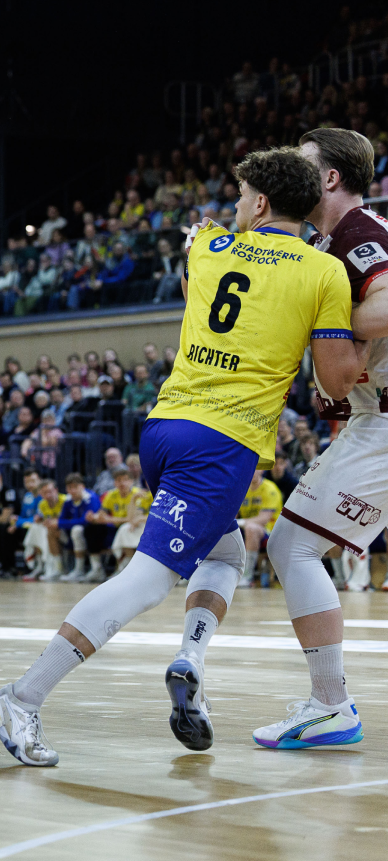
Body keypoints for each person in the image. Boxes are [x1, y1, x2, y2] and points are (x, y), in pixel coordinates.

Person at [0, 145, 362, 767]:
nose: (234, 206)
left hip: (163, 427)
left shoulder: (208, 246)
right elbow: (339, 378)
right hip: (221, 443)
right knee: (147, 579)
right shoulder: (323, 273)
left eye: (241, 197)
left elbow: (198, 286)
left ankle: (192, 661)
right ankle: (21, 697)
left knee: (226, 550)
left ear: (261, 203)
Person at [251, 127, 388, 749]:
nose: (292, 173)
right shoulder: (325, 242)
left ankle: (331, 704)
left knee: (293, 547)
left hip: (384, 422)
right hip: (371, 416)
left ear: (329, 178)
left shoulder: (360, 234)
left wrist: (319, 320)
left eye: (304, 165)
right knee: (294, 547)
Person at [54, 473, 106, 583]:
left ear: (82, 486)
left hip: (94, 533)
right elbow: (62, 519)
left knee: (77, 529)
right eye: (69, 488)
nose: (72, 490)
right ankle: (56, 568)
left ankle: (84, 569)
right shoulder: (68, 500)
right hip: (74, 535)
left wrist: (62, 523)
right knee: (52, 530)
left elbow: (86, 520)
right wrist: (60, 523)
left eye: (75, 487)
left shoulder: (90, 498)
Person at [236, 470, 282, 588]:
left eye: (257, 468)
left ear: (262, 470)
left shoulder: (269, 488)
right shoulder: (242, 487)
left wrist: (239, 522)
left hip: (270, 533)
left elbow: (264, 519)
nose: (253, 472)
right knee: (219, 529)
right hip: (246, 529)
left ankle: (246, 576)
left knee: (251, 528)